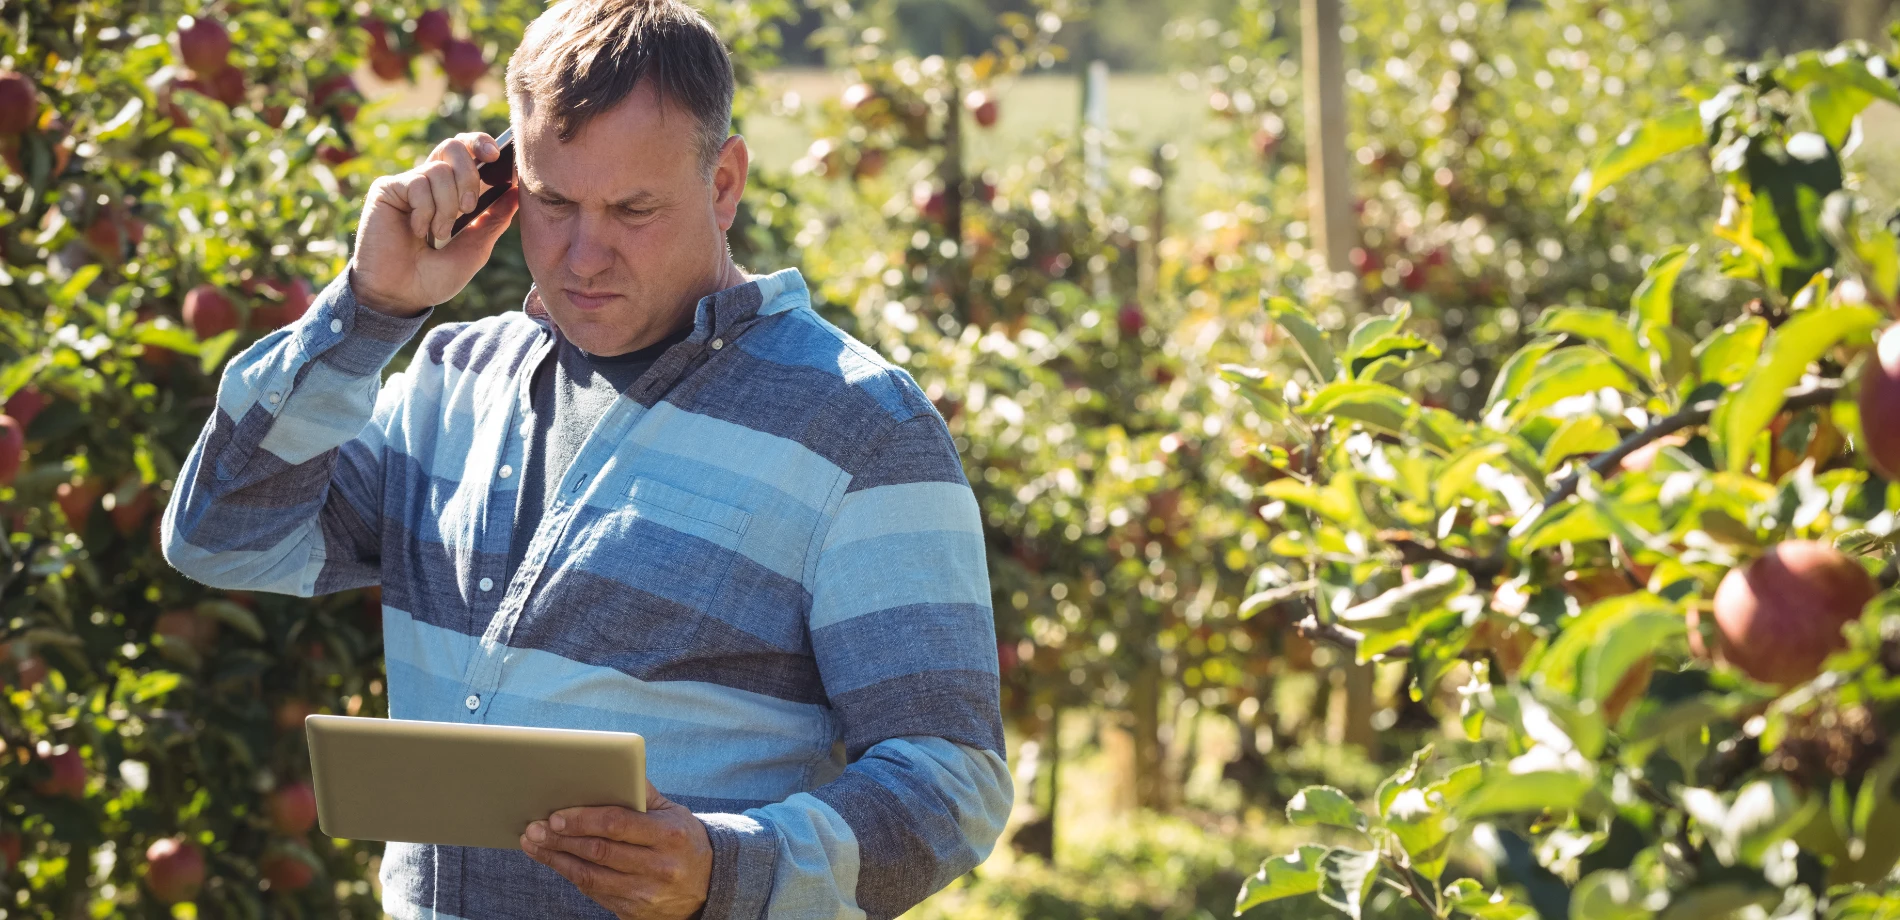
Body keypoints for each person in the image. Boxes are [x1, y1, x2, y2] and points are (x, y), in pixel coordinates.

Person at [159, 0, 1010, 916]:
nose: (584, 255)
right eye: (553, 202)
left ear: (724, 183)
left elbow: (949, 777)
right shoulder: (455, 382)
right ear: (503, 184)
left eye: (633, 209)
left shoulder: (858, 426)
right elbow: (221, 537)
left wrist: (726, 870)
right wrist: (370, 309)